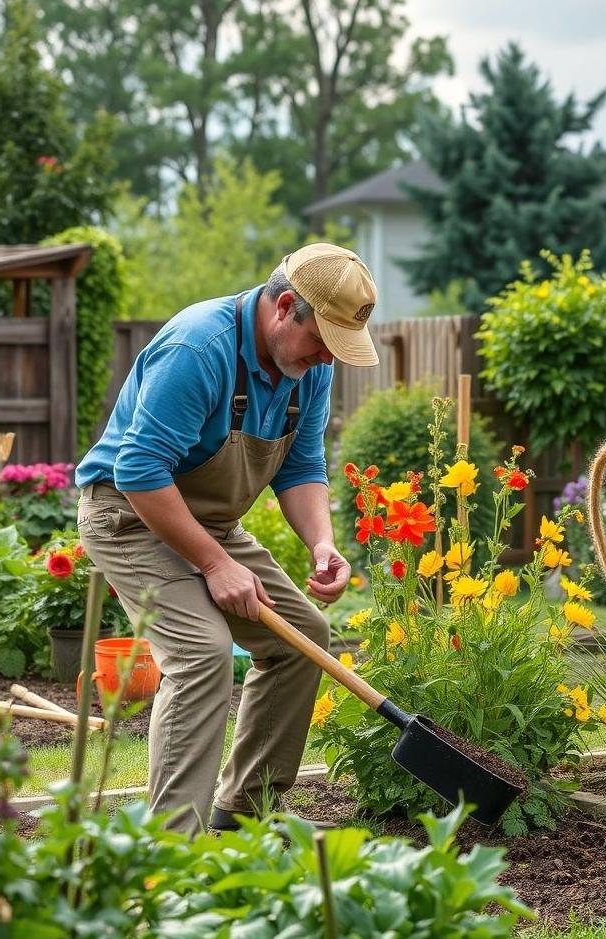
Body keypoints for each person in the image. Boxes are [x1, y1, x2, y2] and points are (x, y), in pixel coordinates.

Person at [75, 243, 379, 835]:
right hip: (128, 517)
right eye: (322, 341)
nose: (326, 358)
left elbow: (302, 466)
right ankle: (170, 844)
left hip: (208, 523)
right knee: (201, 653)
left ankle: (245, 811)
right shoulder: (199, 347)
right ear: (285, 307)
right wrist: (216, 565)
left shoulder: (308, 369)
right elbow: (139, 470)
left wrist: (322, 542)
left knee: (301, 639)